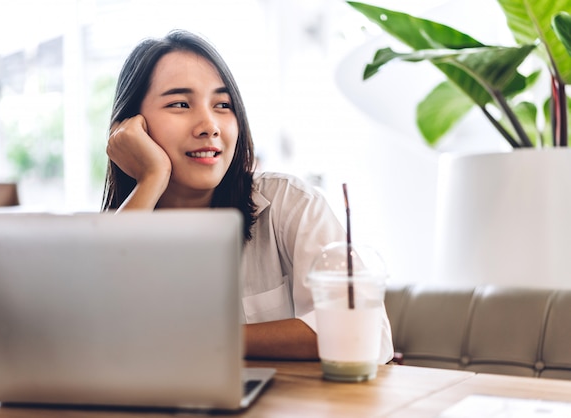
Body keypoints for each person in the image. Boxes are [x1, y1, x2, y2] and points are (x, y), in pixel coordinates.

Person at [102, 29, 393, 362]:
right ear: (130, 127)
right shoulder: (118, 228)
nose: (208, 125)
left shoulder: (288, 204)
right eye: (180, 104)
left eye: (223, 105)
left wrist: (202, 339)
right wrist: (151, 178)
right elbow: (85, 336)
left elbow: (364, 333)